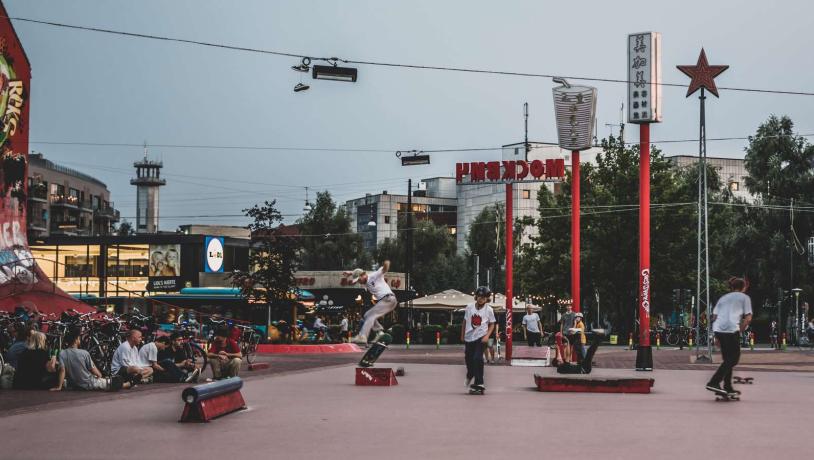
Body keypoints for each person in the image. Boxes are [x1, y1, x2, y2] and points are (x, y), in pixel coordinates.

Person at [706, 277, 752, 396]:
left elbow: (714, 317)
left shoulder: (724, 298)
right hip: (731, 330)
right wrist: (740, 330)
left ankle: (727, 387)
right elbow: (748, 318)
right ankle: (714, 382)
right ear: (743, 287)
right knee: (734, 358)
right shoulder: (744, 298)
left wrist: (716, 336)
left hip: (718, 329)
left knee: (727, 360)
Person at [51, 329, 128, 391]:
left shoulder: (62, 353)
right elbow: (96, 373)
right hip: (89, 383)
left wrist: (59, 386)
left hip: (75, 384)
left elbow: (62, 370)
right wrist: (99, 375)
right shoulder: (84, 353)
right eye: (79, 338)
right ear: (76, 340)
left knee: (108, 380)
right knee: (117, 381)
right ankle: (128, 384)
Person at [346, 260, 398, 346]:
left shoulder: (374, 276)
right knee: (367, 315)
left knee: (371, 316)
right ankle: (379, 332)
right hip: (386, 301)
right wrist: (351, 273)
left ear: (363, 275)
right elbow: (358, 274)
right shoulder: (365, 281)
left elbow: (384, 270)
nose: (359, 282)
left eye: (359, 279)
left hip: (388, 299)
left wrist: (386, 264)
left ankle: (362, 336)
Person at [461, 286, 496, 394]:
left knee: (477, 358)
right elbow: (465, 322)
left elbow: (492, 324)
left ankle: (479, 382)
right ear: (476, 297)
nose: (481, 299)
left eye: (484, 297)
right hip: (469, 337)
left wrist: (487, 336)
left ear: (487, 299)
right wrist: (462, 335)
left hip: (481, 337)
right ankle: (470, 374)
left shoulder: (489, 310)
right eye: (480, 297)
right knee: (469, 359)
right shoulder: (469, 307)